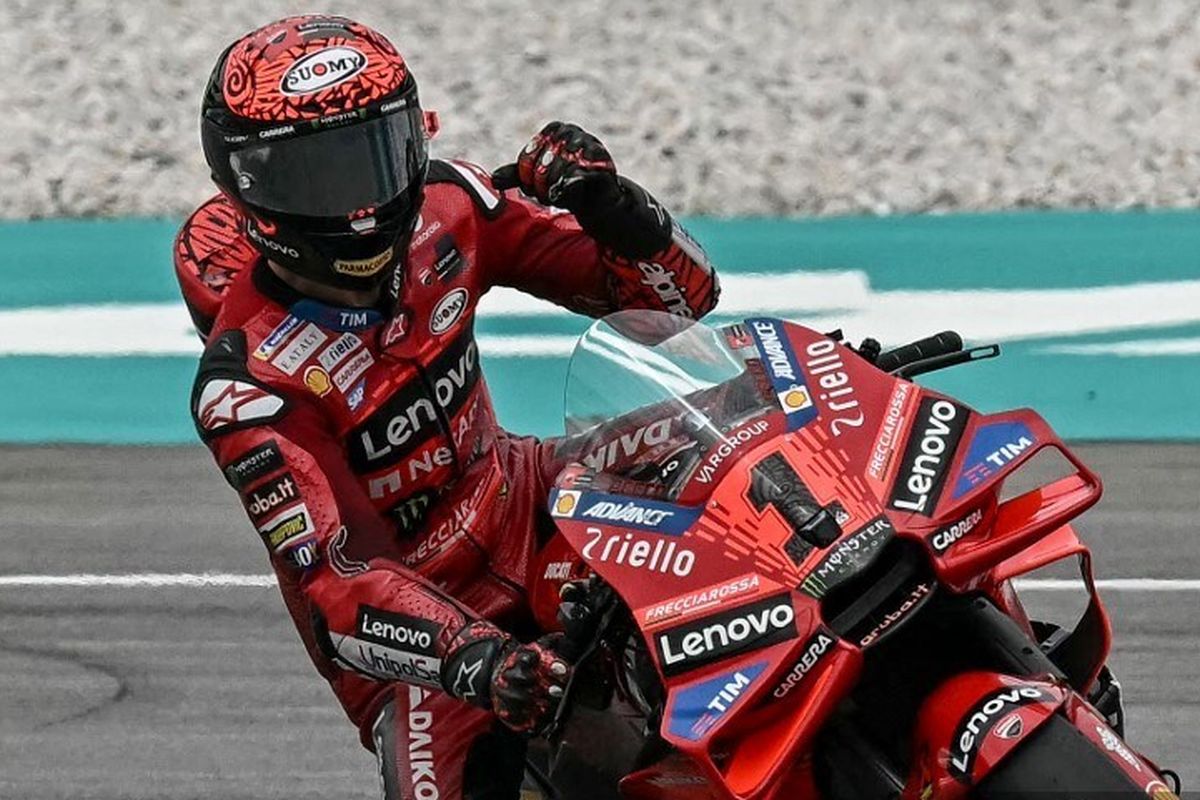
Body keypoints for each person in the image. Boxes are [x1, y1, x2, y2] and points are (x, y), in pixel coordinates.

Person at [173, 14, 719, 800]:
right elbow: (342, 581)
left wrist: (616, 209)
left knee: (734, 433)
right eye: (323, 179)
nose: (361, 206)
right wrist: (477, 657)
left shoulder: (450, 206)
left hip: (524, 495)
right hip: (421, 632)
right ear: (252, 190)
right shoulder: (248, 388)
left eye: (375, 157)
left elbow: (682, 303)